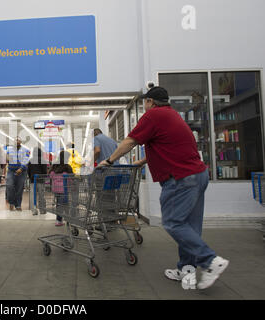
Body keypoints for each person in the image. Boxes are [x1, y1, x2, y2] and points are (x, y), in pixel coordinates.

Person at [98, 86, 229, 290]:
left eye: (145, 102)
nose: (144, 106)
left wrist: (109, 160)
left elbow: (130, 141)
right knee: (190, 227)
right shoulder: (172, 116)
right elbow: (166, 147)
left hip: (181, 179)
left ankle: (210, 260)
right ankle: (187, 268)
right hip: (198, 175)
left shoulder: (153, 116)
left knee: (173, 223)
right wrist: (140, 163)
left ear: (150, 102)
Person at [49, 151, 73, 226]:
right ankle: (62, 220)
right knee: (64, 204)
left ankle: (61, 219)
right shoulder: (67, 167)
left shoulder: (54, 165)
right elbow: (71, 178)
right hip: (64, 189)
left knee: (59, 204)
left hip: (56, 189)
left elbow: (50, 175)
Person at [6, 137, 30, 211]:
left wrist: (21, 168)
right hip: (11, 170)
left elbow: (26, 160)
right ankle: (11, 202)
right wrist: (7, 159)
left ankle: (18, 205)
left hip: (22, 172)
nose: (16, 142)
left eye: (18, 140)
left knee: (19, 189)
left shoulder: (26, 150)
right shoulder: (9, 149)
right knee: (9, 186)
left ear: (20, 142)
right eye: (15, 140)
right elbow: (7, 157)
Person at [27, 146, 48, 215]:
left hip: (33, 180)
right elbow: (45, 171)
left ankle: (34, 210)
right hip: (41, 180)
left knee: (32, 195)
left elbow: (28, 171)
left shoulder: (30, 160)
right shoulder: (43, 160)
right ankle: (42, 210)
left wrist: (31, 177)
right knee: (41, 195)